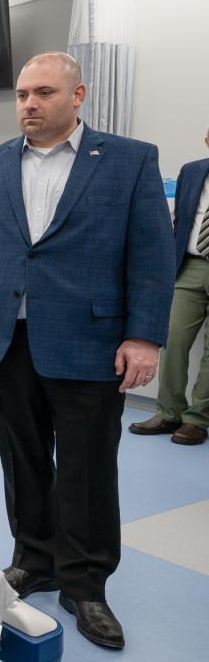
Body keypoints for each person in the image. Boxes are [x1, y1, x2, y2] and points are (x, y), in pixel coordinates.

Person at [0, 52, 175, 651]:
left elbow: (151, 255)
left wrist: (144, 336)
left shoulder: (128, 161)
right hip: (3, 337)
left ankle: (86, 583)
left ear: (78, 95)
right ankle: (34, 558)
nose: (29, 105)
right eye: (21, 95)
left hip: (88, 340)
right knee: (22, 457)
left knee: (89, 466)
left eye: (42, 93)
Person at [128, 128, 209, 446]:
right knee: (172, 341)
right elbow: (179, 220)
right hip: (188, 267)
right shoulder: (192, 171)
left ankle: (197, 420)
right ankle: (169, 412)